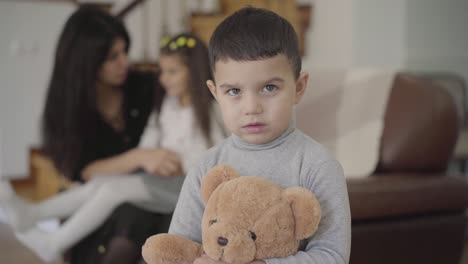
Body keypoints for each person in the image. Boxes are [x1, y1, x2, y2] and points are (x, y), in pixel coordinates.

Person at [0, 7, 224, 264]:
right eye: (112, 57)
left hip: (181, 185)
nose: (125, 63)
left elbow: (214, 152)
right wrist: (146, 156)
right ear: (89, 63)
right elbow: (147, 140)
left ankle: (53, 241)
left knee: (114, 191)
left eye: (172, 72)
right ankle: (33, 213)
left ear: (193, 72)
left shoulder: (203, 108)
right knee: (102, 185)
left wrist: (172, 162)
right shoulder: (166, 104)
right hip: (154, 179)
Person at [168, 7, 351, 264]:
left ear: (299, 87)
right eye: (233, 91)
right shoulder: (207, 166)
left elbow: (332, 256)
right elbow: (181, 244)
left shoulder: (317, 165)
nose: (251, 107)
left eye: (268, 88)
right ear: (215, 93)